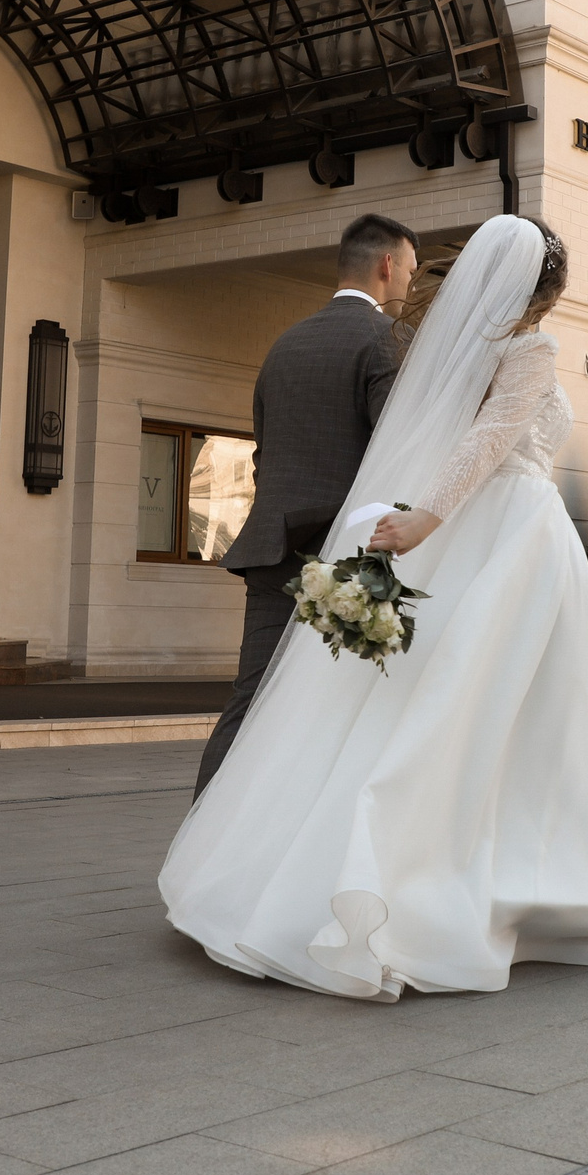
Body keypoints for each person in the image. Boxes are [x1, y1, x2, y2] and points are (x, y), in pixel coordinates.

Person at [161, 215, 588, 1000]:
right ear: (546, 291)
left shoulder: (451, 356)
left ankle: (270, 859)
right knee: (524, 718)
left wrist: (410, 520)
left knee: (420, 709)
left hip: (461, 537)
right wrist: (418, 524)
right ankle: (503, 881)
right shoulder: (532, 350)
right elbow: (487, 446)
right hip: (514, 543)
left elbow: (430, 445)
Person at [196, 214, 417, 796]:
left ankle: (200, 837)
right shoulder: (385, 339)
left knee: (252, 699)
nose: (412, 285)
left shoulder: (284, 344)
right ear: (387, 265)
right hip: (345, 558)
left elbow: (264, 458)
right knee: (348, 710)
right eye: (412, 270)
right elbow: (395, 452)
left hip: (271, 550)